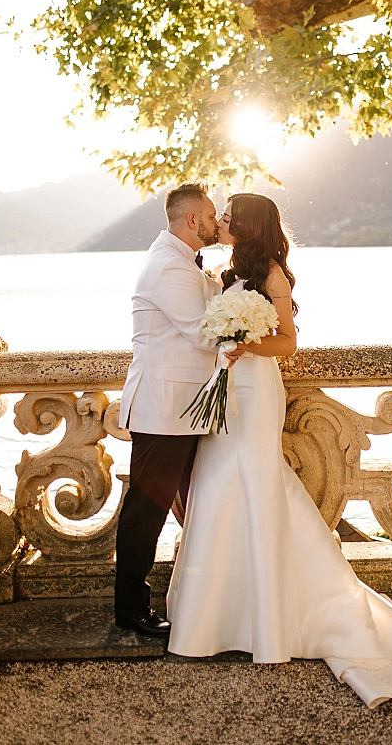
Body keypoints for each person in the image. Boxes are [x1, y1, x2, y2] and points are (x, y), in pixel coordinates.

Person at [166, 192, 392, 709]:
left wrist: (247, 342)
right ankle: (213, 620)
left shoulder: (271, 273)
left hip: (255, 390)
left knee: (256, 482)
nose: (222, 220)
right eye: (220, 214)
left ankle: (274, 623)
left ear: (249, 226)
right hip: (227, 385)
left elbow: (288, 343)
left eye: (229, 215)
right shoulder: (228, 270)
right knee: (216, 485)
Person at [115, 182, 227, 636]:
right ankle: (130, 611)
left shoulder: (182, 263)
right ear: (192, 220)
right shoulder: (168, 268)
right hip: (165, 409)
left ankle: (195, 597)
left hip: (181, 408)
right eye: (212, 214)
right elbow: (205, 335)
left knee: (184, 507)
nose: (218, 222)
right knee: (147, 511)